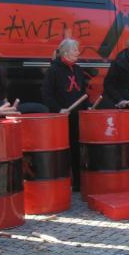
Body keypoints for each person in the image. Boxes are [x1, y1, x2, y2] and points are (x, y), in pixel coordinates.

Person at [42, 38, 88, 190]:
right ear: (66, 52)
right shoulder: (54, 70)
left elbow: (82, 92)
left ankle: (78, 183)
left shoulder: (78, 70)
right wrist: (58, 109)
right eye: (75, 50)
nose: (78, 52)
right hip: (61, 118)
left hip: (76, 116)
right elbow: (47, 95)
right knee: (62, 150)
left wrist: (86, 108)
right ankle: (62, 183)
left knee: (77, 148)